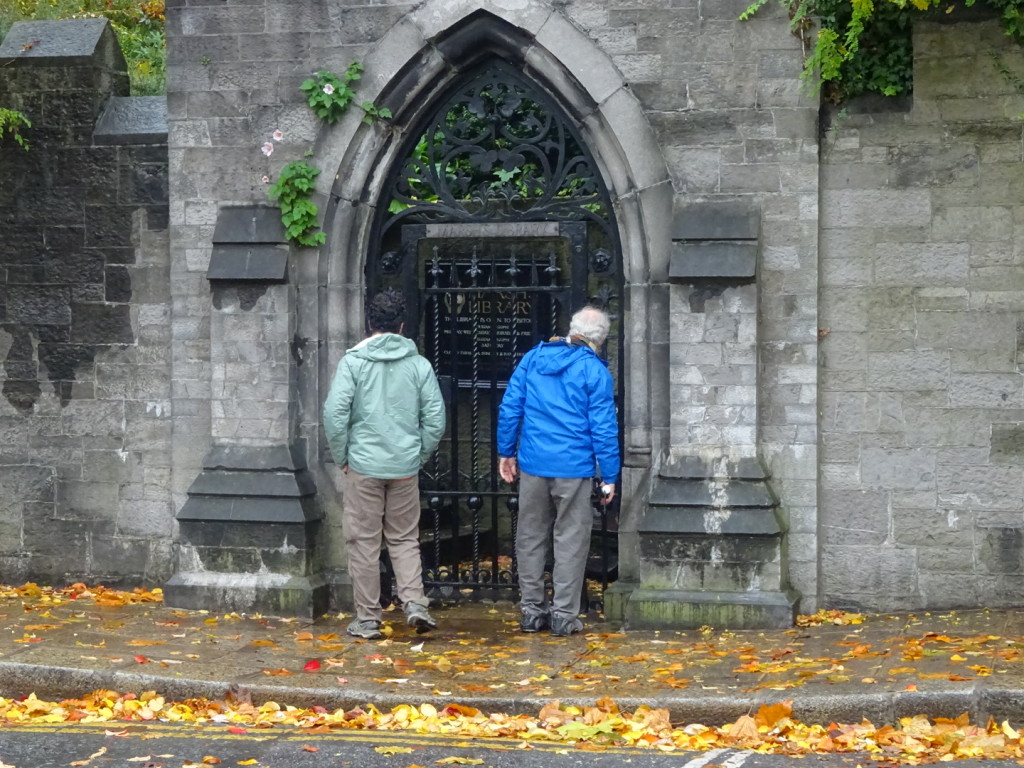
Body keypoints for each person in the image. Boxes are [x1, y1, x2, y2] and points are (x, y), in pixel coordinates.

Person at [323, 288, 446, 640]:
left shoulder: (353, 363)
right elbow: (435, 419)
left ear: (368, 324)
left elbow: (334, 414)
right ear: (402, 325)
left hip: (363, 466)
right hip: (404, 468)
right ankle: (415, 604)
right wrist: (416, 455)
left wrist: (343, 456)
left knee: (363, 542)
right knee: (404, 537)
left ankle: (368, 618)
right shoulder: (419, 365)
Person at [497, 305, 620, 637]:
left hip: (534, 464)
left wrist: (506, 451)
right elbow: (604, 428)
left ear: (571, 329)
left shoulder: (533, 359)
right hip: (574, 468)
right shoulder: (595, 372)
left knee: (530, 538)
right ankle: (564, 614)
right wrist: (609, 475)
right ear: (601, 340)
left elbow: (510, 407)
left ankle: (532, 611)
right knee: (571, 540)